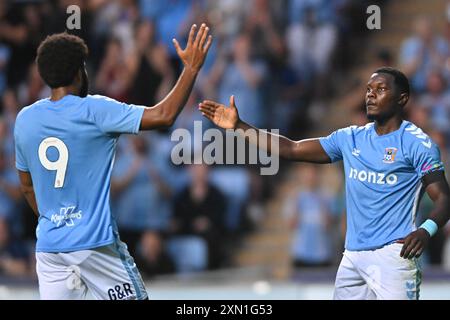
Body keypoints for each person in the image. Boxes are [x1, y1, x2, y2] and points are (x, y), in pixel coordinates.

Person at [199, 67, 450, 300]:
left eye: (381, 89)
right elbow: (292, 148)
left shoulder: (417, 144)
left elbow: (444, 198)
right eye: (368, 89)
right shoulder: (351, 137)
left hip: (394, 256)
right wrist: (239, 127)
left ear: (402, 99)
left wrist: (425, 230)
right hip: (352, 256)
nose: (371, 95)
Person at [14, 24, 212, 300]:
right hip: (94, 246)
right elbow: (164, 115)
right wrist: (190, 68)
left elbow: (26, 186)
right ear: (78, 71)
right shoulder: (95, 109)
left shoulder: (24, 120)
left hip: (50, 251)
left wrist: (59, 223)